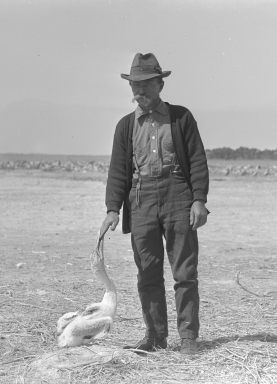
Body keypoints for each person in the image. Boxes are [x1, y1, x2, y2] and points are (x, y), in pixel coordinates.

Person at [100, 53, 209, 355]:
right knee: (147, 273)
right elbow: (118, 170)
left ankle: (188, 338)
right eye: (135, 86)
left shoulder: (181, 117)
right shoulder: (125, 126)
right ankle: (155, 338)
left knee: (184, 272)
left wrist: (198, 200)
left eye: (147, 84)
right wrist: (113, 209)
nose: (140, 92)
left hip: (178, 197)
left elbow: (198, 161)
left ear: (161, 84)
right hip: (141, 200)